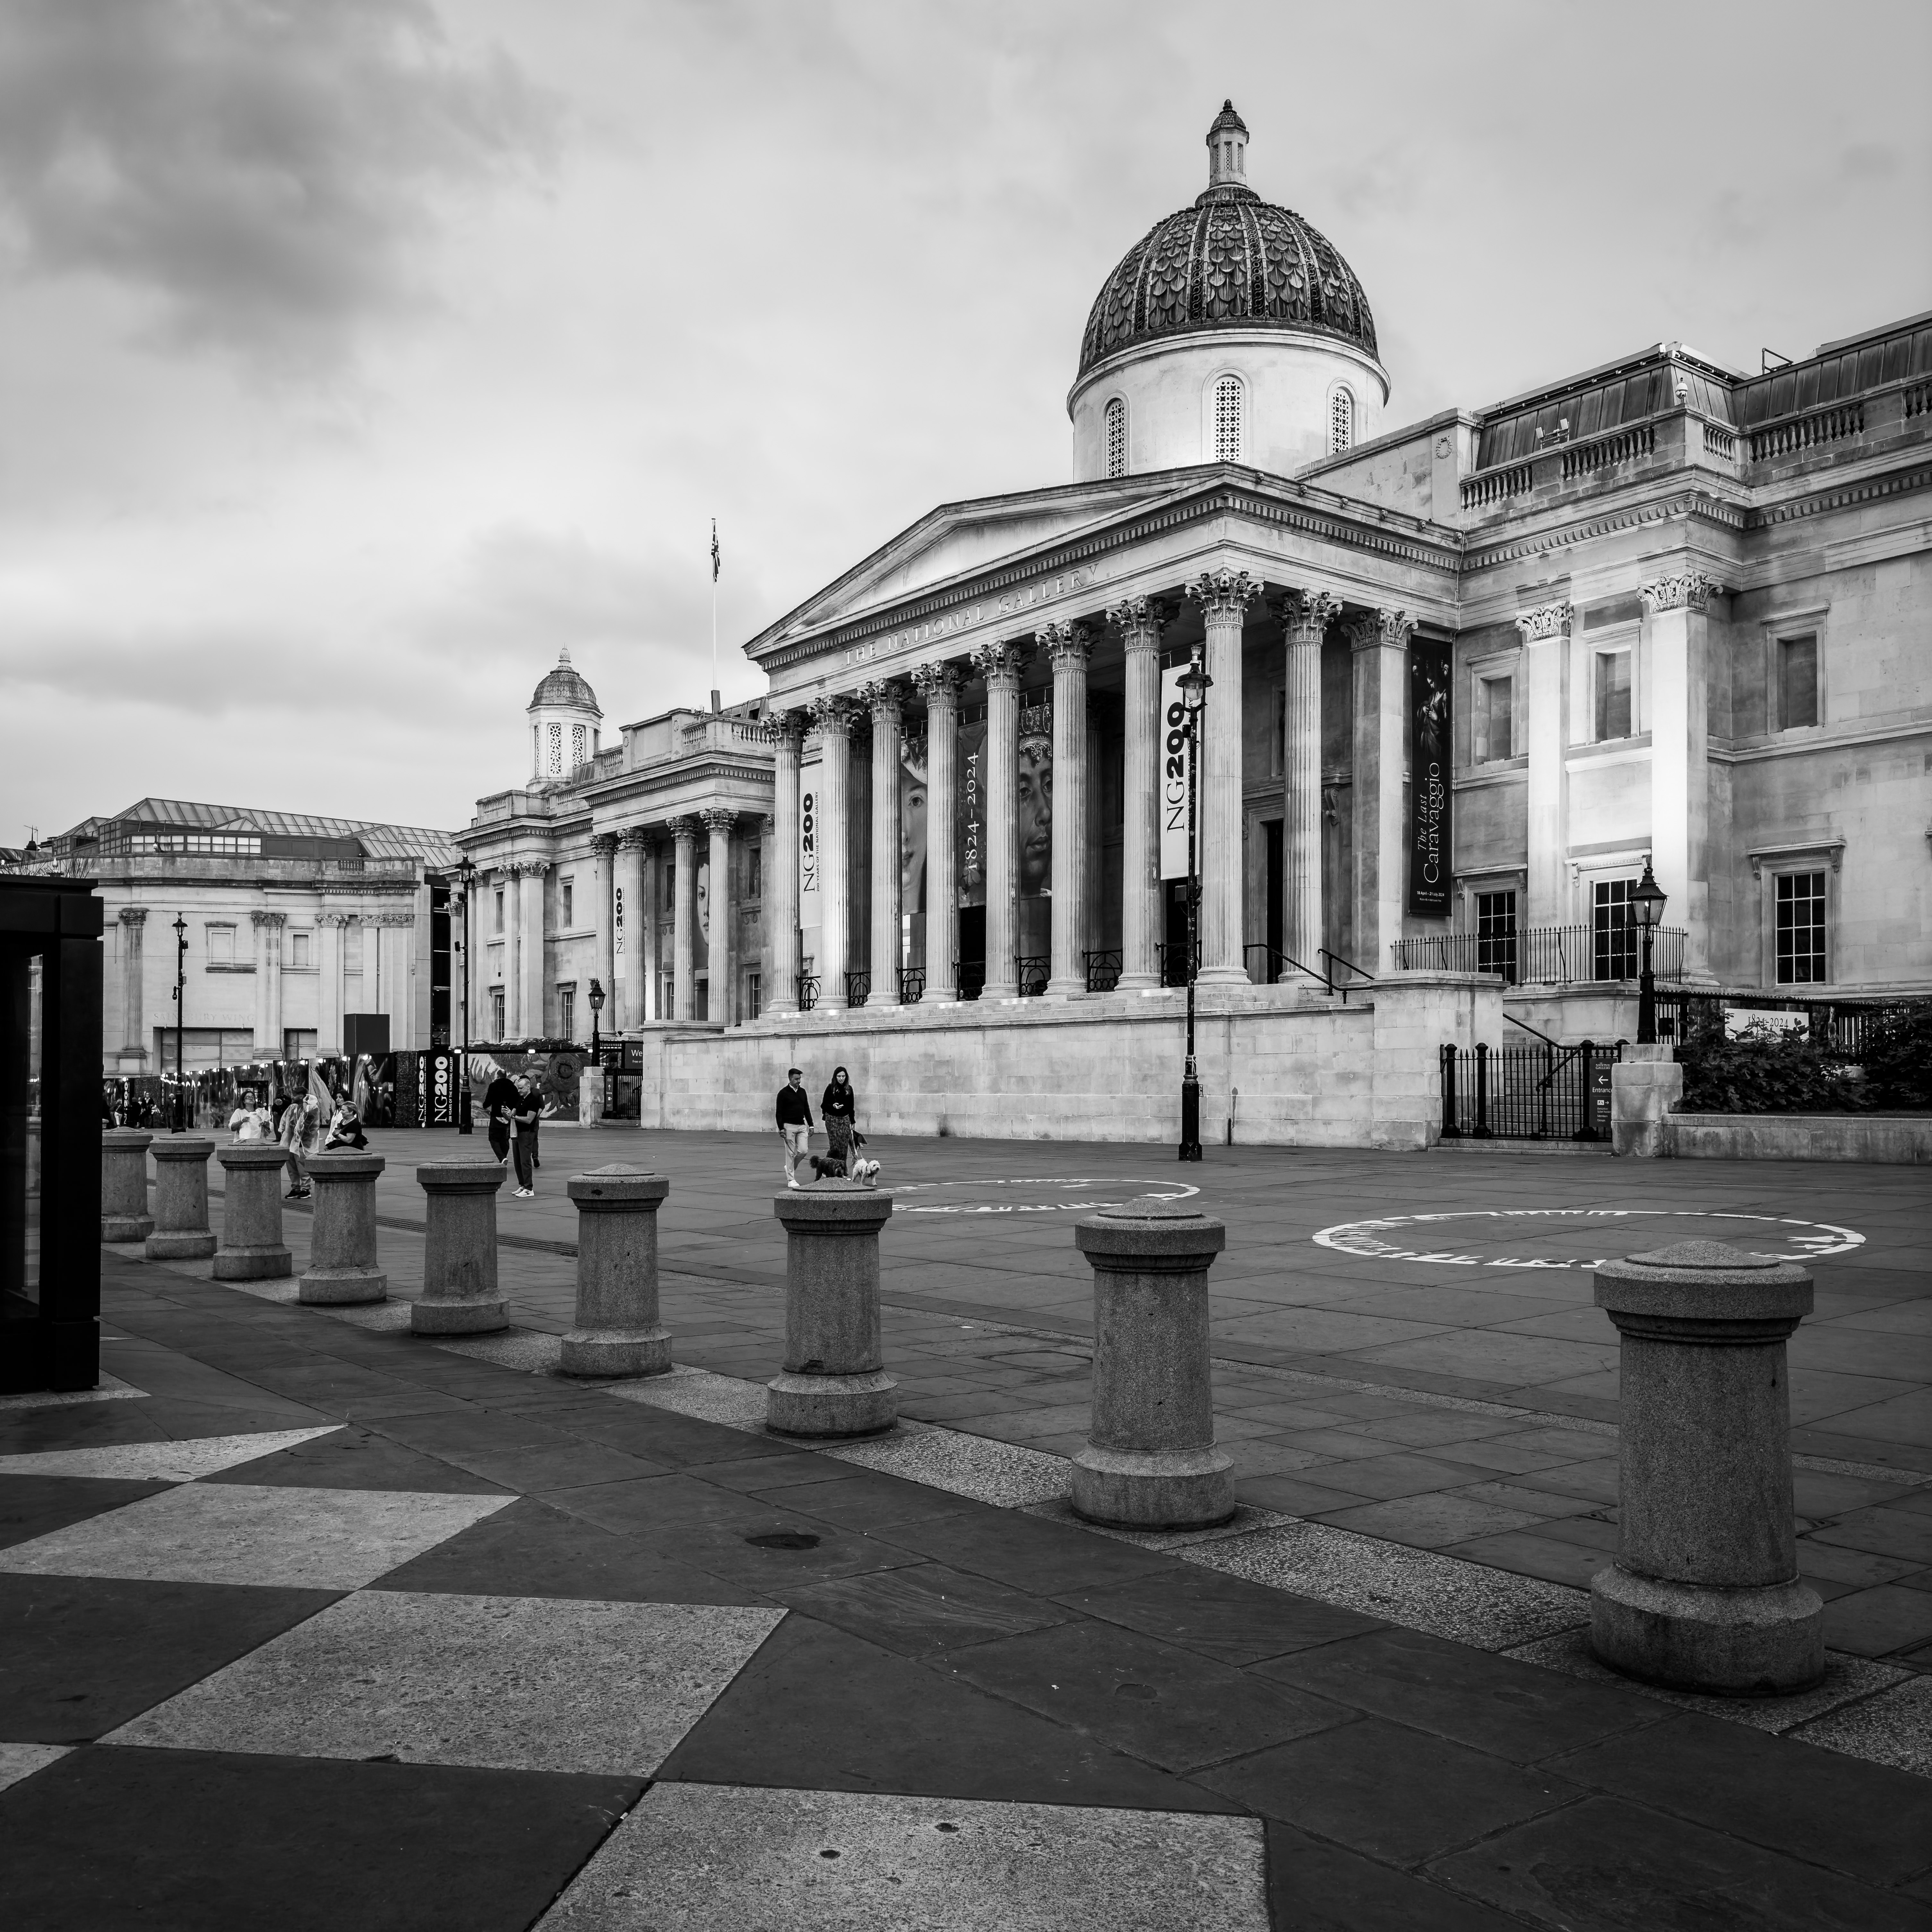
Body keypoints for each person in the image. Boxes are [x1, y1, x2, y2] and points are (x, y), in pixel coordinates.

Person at [775, 1066, 814, 1189]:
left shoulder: (803, 1092)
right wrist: (781, 1128)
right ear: (790, 1079)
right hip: (789, 1126)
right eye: (797, 1079)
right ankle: (791, 1179)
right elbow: (779, 1112)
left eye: (800, 1079)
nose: (799, 1081)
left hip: (802, 1126)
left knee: (804, 1151)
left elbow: (806, 1108)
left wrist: (811, 1125)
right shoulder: (783, 1093)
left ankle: (789, 1168)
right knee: (791, 1153)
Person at [509, 1074, 542, 1197]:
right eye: (518, 1088)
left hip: (527, 1133)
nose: (519, 1090)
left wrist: (514, 1117)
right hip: (517, 1133)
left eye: (521, 1088)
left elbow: (529, 1120)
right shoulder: (521, 1099)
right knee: (517, 1162)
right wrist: (510, 1113)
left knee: (525, 1161)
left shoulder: (533, 1100)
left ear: (528, 1087)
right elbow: (514, 1111)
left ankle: (529, 1188)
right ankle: (522, 1185)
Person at [821, 1065, 858, 1173]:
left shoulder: (849, 1089)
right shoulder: (830, 1088)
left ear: (846, 1077)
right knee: (835, 1147)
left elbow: (851, 1107)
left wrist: (853, 1121)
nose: (841, 1078)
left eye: (843, 1076)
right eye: (839, 1076)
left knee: (844, 1146)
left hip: (845, 1119)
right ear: (835, 1077)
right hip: (832, 1120)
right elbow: (824, 1105)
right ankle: (827, 1168)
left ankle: (842, 1171)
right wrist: (833, 1106)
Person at [482, 1068, 518, 1163]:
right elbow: (517, 1101)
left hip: (496, 1116)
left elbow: (489, 1100)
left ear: (498, 1076)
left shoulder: (494, 1086)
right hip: (508, 1117)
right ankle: (504, 1158)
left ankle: (502, 1158)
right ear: (506, 1076)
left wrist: (485, 1106)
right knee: (505, 1139)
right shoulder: (513, 1087)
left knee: (493, 1139)